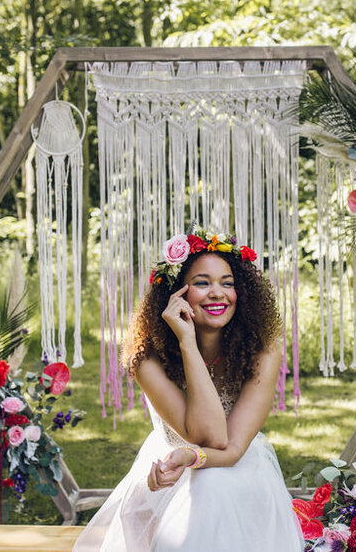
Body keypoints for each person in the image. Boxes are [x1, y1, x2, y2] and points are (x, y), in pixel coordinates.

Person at [73, 228, 303, 551]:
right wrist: (187, 342)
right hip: (166, 473)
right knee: (204, 486)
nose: (218, 293)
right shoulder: (146, 359)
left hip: (235, 467)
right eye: (202, 282)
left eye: (227, 283)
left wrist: (190, 456)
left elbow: (227, 446)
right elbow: (206, 432)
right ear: (176, 293)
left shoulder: (262, 349)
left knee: (213, 482)